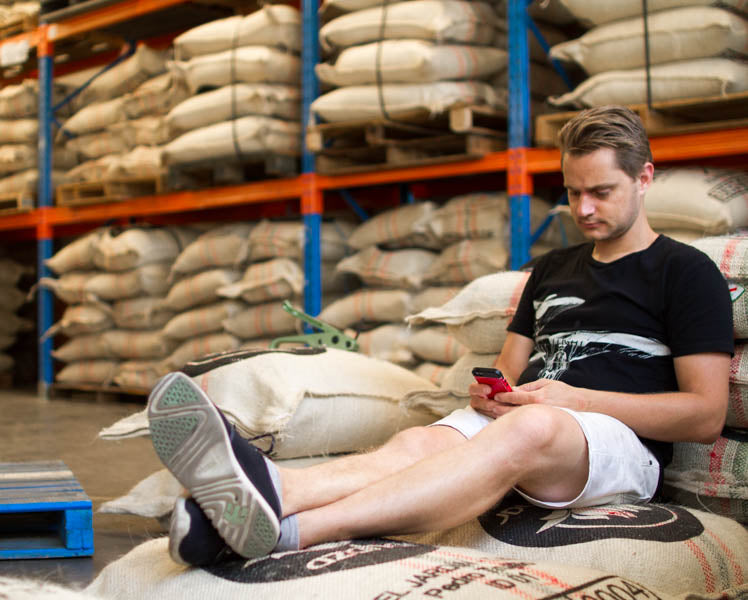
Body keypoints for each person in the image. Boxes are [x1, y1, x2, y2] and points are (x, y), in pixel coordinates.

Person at [147, 105, 734, 566]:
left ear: (645, 178)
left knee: (531, 425)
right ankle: (275, 492)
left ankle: (293, 533)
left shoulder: (686, 272)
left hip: (617, 446)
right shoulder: (553, 269)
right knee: (418, 443)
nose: (583, 208)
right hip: (532, 420)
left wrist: (576, 401)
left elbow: (704, 414)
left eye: (601, 192)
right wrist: (491, 395)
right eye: (573, 191)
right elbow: (507, 370)